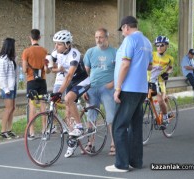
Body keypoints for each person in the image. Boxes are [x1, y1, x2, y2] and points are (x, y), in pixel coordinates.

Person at [105, 16, 152, 172]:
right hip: (141, 89)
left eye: (122, 30)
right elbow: (149, 65)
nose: (123, 34)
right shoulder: (147, 42)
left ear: (126, 27)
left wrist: (117, 88)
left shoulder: (129, 40)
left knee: (119, 125)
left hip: (128, 89)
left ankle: (121, 164)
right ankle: (135, 161)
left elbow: (125, 64)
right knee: (135, 126)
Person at [50, 30, 90, 158]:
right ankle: (73, 142)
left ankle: (80, 126)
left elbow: (68, 76)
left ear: (67, 44)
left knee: (68, 99)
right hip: (71, 82)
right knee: (67, 114)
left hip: (82, 80)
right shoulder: (56, 53)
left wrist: (59, 93)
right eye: (55, 44)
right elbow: (49, 69)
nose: (56, 46)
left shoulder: (74, 54)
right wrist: (51, 65)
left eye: (59, 44)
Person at [83, 28, 117, 156]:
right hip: (92, 88)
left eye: (101, 37)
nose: (98, 40)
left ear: (107, 38)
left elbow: (120, 71)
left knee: (111, 117)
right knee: (91, 117)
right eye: (96, 37)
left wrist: (113, 84)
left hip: (108, 88)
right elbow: (85, 72)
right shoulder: (90, 52)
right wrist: (84, 89)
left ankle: (114, 143)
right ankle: (90, 143)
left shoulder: (115, 52)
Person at [21, 29, 50, 140]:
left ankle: (32, 132)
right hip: (42, 81)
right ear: (40, 37)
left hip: (31, 81)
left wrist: (29, 67)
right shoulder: (44, 51)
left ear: (30, 37)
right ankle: (44, 130)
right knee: (43, 105)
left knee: (32, 105)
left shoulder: (26, 51)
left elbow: (24, 69)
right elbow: (47, 70)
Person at [148, 36, 174, 125]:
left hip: (159, 81)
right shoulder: (151, 55)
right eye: (157, 45)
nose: (159, 47)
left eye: (161, 45)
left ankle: (165, 117)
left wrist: (167, 73)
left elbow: (170, 68)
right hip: (148, 80)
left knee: (159, 100)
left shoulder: (169, 58)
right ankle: (156, 115)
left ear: (166, 46)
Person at [0, 38, 19, 139]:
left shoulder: (12, 58)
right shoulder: (3, 58)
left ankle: (9, 129)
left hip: (13, 86)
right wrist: (6, 89)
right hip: (7, 88)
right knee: (8, 108)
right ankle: (3, 130)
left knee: (13, 108)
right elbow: (2, 76)